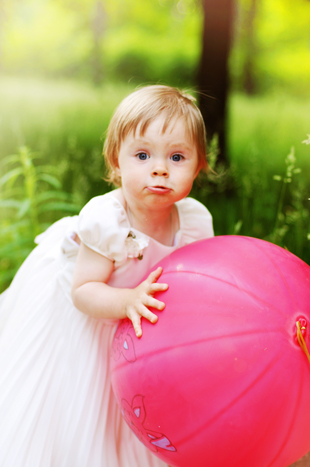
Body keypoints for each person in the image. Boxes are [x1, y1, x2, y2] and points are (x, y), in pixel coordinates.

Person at [0, 85, 214, 467]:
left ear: (199, 166)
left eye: (177, 157)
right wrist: (128, 301)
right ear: (117, 161)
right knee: (84, 396)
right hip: (85, 306)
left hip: (134, 316)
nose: (160, 168)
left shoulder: (194, 222)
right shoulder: (107, 221)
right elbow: (83, 291)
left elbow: (197, 281)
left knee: (138, 399)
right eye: (143, 154)